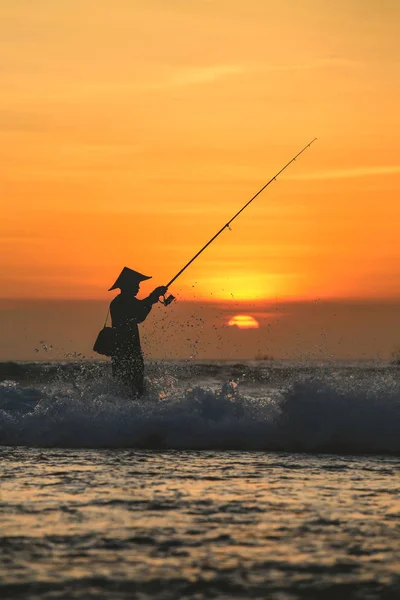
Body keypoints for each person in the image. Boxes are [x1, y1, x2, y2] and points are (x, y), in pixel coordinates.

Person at [108, 266, 167, 398]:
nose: (138, 287)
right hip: (128, 351)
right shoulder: (123, 301)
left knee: (125, 387)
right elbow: (139, 313)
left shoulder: (119, 301)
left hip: (121, 351)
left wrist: (152, 299)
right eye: (136, 284)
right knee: (135, 388)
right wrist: (153, 297)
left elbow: (139, 313)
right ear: (127, 284)